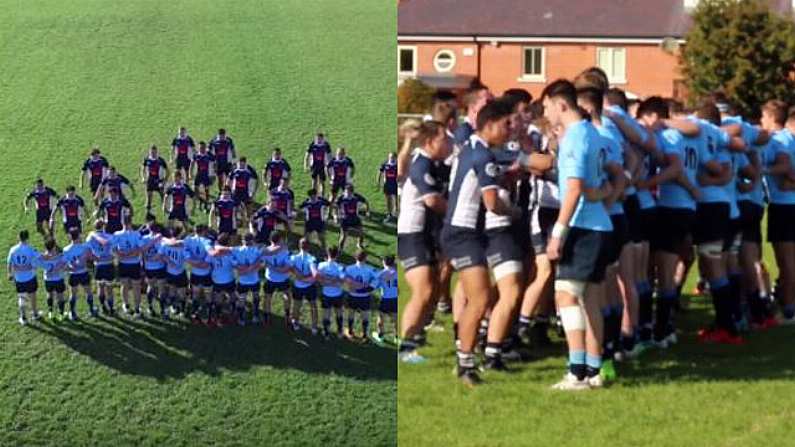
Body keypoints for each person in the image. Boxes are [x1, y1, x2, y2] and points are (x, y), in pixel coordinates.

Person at [440, 98, 525, 385]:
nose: (509, 129)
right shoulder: (483, 156)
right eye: (506, 124)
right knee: (480, 298)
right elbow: (492, 204)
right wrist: (513, 211)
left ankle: (465, 359)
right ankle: (465, 365)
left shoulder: (475, 149)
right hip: (463, 234)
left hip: (465, 232)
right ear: (489, 125)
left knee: (476, 297)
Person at [542, 79, 613, 390]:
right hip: (600, 224)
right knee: (592, 300)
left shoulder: (574, 138)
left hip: (582, 226)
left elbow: (573, 189)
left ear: (561, 105)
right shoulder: (594, 133)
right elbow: (604, 179)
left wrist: (558, 232)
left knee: (566, 295)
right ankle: (595, 370)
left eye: (546, 106)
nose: (546, 113)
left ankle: (577, 372)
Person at [397, 120, 450, 362]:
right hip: (412, 233)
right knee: (424, 289)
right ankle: (405, 347)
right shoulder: (422, 165)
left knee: (432, 289)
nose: (448, 143)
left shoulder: (434, 164)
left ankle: (415, 337)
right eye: (444, 139)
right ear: (430, 142)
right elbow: (432, 202)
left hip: (425, 233)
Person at [7, 230, 41, 325]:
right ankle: (35, 314)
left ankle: (23, 318)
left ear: (19, 237)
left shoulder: (13, 250)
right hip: (30, 277)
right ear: (27, 238)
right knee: (32, 296)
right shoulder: (30, 249)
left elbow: (9, 262)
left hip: (19, 279)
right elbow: (39, 258)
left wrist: (9, 273)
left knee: (22, 297)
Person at [343, 251, 378, 342]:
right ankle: (365, 334)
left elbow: (343, 277)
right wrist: (365, 289)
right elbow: (377, 280)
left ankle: (350, 331)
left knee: (351, 313)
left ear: (355, 257)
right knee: (365, 315)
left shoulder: (349, 268)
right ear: (365, 258)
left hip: (352, 295)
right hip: (365, 297)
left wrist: (352, 284)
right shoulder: (370, 269)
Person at [206, 233, 240, 327]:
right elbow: (236, 264)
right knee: (232, 295)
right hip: (229, 279)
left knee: (218, 298)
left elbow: (207, 263)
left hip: (217, 279)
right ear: (228, 242)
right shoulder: (229, 254)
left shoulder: (212, 253)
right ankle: (232, 313)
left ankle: (218, 316)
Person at [184, 224, 214, 324]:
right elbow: (210, 253)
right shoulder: (206, 241)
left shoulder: (188, 240)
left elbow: (186, 255)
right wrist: (204, 264)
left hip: (195, 272)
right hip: (206, 273)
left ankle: (195, 314)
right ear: (203, 231)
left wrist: (194, 263)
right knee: (208, 294)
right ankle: (209, 316)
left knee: (195, 294)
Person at [63, 228, 96, 319]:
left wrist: (73, 268)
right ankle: (91, 310)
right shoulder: (85, 247)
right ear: (78, 236)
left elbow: (64, 265)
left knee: (73, 294)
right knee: (88, 292)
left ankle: (73, 313)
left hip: (73, 274)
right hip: (84, 273)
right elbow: (91, 258)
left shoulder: (66, 249)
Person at [234, 232, 265, 325]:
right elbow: (262, 264)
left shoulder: (237, 250)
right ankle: (255, 316)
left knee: (241, 299)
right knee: (256, 298)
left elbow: (234, 264)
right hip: (254, 280)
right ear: (252, 240)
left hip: (242, 280)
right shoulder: (256, 251)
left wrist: (242, 269)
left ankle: (241, 319)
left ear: (243, 240)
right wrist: (253, 268)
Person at [86, 220, 116, 315]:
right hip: (109, 264)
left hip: (98, 265)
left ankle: (103, 307)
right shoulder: (110, 236)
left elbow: (87, 251)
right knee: (110, 289)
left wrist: (95, 258)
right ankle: (111, 308)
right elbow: (115, 249)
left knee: (100, 287)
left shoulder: (90, 238)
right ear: (103, 226)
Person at [289, 238, 319, 333]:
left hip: (298, 286)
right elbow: (315, 274)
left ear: (299, 246)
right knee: (313, 306)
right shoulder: (311, 258)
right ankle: (314, 327)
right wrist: (307, 278)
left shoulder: (294, 258)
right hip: (310, 286)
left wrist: (300, 277)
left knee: (296, 305)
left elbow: (290, 268)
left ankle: (295, 323)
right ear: (309, 247)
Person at [159, 227, 189, 320]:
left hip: (170, 272)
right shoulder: (183, 246)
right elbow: (188, 257)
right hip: (180, 272)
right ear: (179, 234)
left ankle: (171, 308)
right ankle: (182, 311)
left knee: (171, 290)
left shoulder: (165, 244)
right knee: (182, 293)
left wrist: (169, 261)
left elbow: (160, 255)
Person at [262, 232, 292, 327]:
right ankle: (287, 315)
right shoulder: (284, 251)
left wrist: (270, 266)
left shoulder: (265, 250)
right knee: (286, 295)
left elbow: (262, 263)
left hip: (270, 278)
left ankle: (266, 317)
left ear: (270, 240)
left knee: (267, 297)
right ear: (280, 240)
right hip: (283, 279)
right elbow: (285, 268)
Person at [317, 245, 346, 338]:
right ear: (337, 255)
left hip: (326, 294)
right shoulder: (340, 267)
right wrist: (334, 280)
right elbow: (341, 282)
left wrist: (327, 281)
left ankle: (326, 333)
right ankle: (340, 332)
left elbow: (320, 279)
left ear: (327, 254)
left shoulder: (321, 265)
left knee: (326, 313)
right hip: (338, 294)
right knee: (339, 312)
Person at [335, 184, 370, 251]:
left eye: (349, 192)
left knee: (361, 233)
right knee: (343, 236)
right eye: (346, 192)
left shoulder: (356, 197)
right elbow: (336, 206)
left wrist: (367, 212)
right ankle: (340, 250)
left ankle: (359, 244)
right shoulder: (341, 198)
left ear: (352, 192)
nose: (347, 194)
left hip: (355, 218)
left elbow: (366, 202)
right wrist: (336, 216)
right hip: (345, 219)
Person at [39, 238, 67, 320]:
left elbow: (39, 263)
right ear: (54, 246)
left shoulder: (44, 256)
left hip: (48, 279)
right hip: (58, 279)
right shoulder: (60, 255)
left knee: (49, 294)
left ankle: (50, 312)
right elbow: (64, 265)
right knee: (60, 296)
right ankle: (61, 314)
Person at [142, 224, 166, 317]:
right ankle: (162, 310)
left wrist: (146, 261)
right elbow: (161, 254)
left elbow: (142, 252)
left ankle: (150, 307)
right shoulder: (161, 240)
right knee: (161, 289)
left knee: (150, 287)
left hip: (149, 268)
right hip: (160, 267)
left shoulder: (144, 238)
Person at [372, 255, 398, 344]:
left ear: (384, 262)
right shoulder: (397, 272)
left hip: (385, 300)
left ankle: (380, 335)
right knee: (395, 318)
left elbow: (373, 287)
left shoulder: (381, 274)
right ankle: (397, 337)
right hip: (395, 299)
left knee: (381, 318)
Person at [140, 145, 170, 214]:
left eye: (154, 152)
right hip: (150, 181)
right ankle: (148, 210)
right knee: (149, 196)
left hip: (159, 181)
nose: (153, 154)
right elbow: (143, 169)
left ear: (157, 152)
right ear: (149, 152)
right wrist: (143, 178)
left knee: (162, 195)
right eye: (152, 152)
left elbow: (168, 171)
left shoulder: (160, 160)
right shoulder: (147, 159)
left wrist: (164, 181)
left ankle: (165, 208)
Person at [327, 147, 355, 212]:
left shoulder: (348, 160)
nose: (340, 155)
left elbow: (353, 168)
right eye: (339, 153)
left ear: (344, 154)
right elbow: (327, 168)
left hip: (344, 182)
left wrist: (351, 176)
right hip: (335, 182)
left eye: (342, 153)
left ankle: (346, 212)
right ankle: (329, 212)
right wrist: (330, 177)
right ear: (336, 153)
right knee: (332, 197)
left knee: (346, 197)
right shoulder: (333, 160)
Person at [209, 128, 236, 193]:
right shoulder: (214, 140)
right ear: (218, 135)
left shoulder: (228, 140)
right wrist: (212, 163)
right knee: (220, 179)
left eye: (223, 136)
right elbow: (209, 151)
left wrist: (234, 161)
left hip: (227, 163)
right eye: (221, 136)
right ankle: (221, 192)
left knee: (228, 179)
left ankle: (228, 192)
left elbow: (233, 150)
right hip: (218, 164)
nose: (222, 137)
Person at [191, 141, 215, 212]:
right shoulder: (196, 155)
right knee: (195, 191)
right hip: (198, 175)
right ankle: (201, 201)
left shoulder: (209, 155)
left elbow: (214, 164)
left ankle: (206, 205)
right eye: (201, 148)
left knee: (207, 191)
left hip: (206, 176)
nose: (202, 149)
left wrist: (213, 174)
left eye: (203, 147)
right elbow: (192, 164)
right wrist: (190, 173)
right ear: (198, 148)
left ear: (205, 147)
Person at [378, 152, 399, 223]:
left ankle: (396, 212)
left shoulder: (398, 164)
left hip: (395, 184)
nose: (391, 159)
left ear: (396, 157)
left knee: (396, 199)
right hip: (387, 184)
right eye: (390, 157)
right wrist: (378, 182)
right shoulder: (385, 164)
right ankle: (389, 214)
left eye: (393, 157)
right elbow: (380, 172)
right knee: (388, 199)